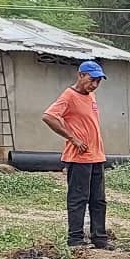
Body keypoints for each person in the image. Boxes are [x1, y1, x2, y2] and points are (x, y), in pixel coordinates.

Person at [42, 60, 112, 249]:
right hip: (79, 157)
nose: (95, 85)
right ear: (80, 75)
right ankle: (75, 239)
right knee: (78, 199)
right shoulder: (69, 96)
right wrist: (72, 138)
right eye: (92, 80)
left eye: (98, 81)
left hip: (96, 155)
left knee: (98, 200)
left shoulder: (91, 96)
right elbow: (48, 116)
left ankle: (99, 238)